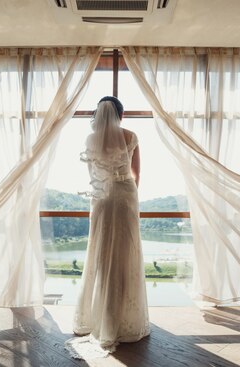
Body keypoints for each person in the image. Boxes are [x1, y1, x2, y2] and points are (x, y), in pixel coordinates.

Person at [64, 96, 150, 359]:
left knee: (100, 254)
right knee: (125, 256)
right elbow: (137, 175)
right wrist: (128, 194)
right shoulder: (131, 135)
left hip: (101, 198)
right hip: (125, 196)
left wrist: (104, 190)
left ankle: (97, 317)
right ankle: (123, 319)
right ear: (120, 115)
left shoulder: (92, 140)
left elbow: (92, 175)